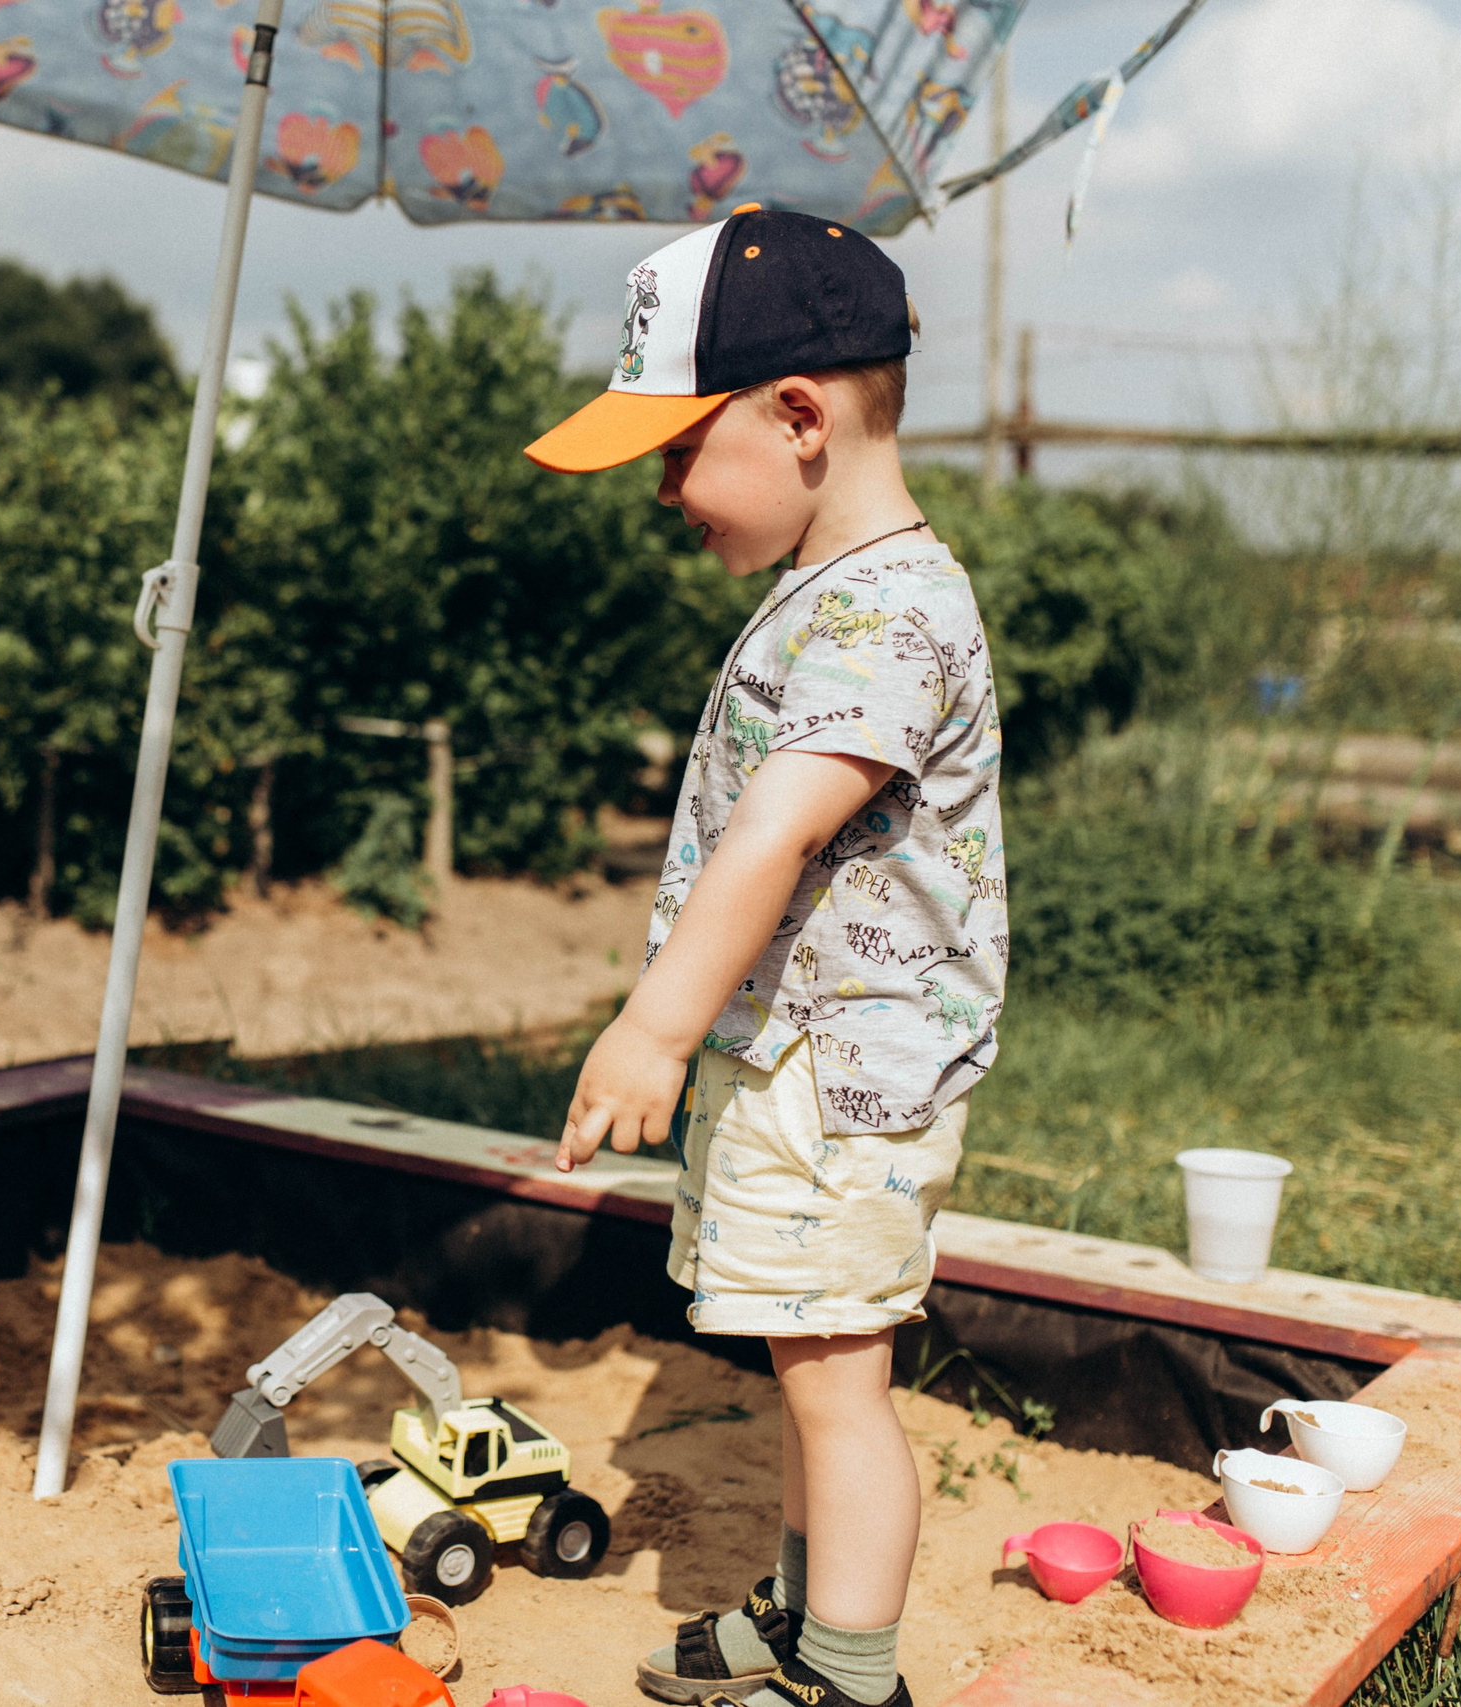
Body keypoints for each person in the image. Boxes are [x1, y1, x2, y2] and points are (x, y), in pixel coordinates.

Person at [526, 208, 1006, 1707]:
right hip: (796, 1059)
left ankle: (851, 1674)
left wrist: (654, 1025)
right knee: (808, 1364)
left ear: (799, 416)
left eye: (678, 449)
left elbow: (776, 832)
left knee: (838, 1385)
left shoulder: (890, 611)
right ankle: (805, 1618)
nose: (665, 490)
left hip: (842, 1082)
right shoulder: (836, 591)